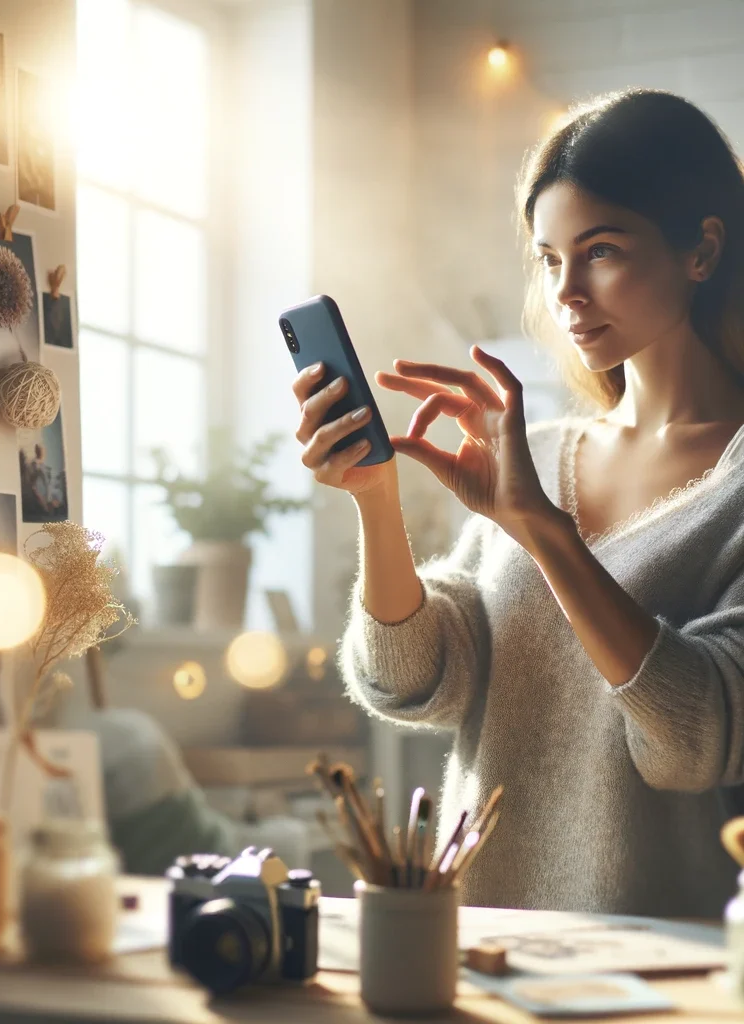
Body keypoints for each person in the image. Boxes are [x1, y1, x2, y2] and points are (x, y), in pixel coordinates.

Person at [291, 88, 744, 918]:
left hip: (659, 972)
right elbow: (416, 680)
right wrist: (376, 500)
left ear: (702, 251)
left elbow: (697, 738)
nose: (567, 290)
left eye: (600, 250)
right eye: (548, 258)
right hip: (474, 945)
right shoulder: (533, 458)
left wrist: (541, 529)